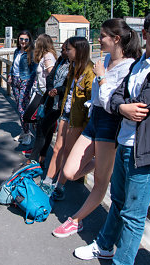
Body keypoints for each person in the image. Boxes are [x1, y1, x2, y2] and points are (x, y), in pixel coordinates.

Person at [73, 10, 150, 264]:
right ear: (145, 34)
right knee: (118, 201)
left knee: (133, 216)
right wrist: (122, 107)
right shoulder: (139, 64)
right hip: (124, 141)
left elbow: (143, 103)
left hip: (146, 149)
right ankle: (104, 245)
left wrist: (122, 105)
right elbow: (117, 97)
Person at [51, 18, 141, 238]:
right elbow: (97, 98)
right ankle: (103, 166)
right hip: (95, 120)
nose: (98, 39)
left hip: (111, 123)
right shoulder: (107, 58)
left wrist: (101, 77)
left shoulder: (129, 66)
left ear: (116, 39)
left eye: (102, 35)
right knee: (70, 172)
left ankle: (76, 221)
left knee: (100, 183)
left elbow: (110, 100)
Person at [48, 36, 94, 201]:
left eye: (69, 49)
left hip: (77, 119)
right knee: (57, 149)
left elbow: (91, 102)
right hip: (66, 113)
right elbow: (68, 92)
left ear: (79, 50)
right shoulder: (73, 66)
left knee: (68, 151)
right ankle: (47, 182)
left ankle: (59, 187)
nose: (66, 52)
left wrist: (85, 126)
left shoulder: (90, 72)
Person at [27, 40, 69, 168]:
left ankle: (32, 160)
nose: (61, 52)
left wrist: (58, 90)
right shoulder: (61, 60)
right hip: (49, 97)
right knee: (46, 128)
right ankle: (41, 158)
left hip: (60, 102)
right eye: (61, 50)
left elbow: (69, 84)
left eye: (64, 50)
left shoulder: (75, 65)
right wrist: (50, 88)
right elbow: (51, 76)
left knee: (43, 128)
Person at [22, 33, 57, 131]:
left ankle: (48, 126)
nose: (35, 43)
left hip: (44, 93)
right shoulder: (45, 56)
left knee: (29, 116)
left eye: (37, 41)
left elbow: (52, 75)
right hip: (40, 91)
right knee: (35, 119)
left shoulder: (48, 57)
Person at [8, 30, 36, 145]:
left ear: (29, 41)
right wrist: (10, 74)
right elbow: (13, 64)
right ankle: (24, 131)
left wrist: (29, 81)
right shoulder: (16, 51)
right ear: (18, 39)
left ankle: (27, 133)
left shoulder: (31, 52)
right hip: (15, 80)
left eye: (26, 40)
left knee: (21, 108)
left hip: (25, 81)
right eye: (21, 39)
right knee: (20, 108)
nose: (23, 42)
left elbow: (35, 69)